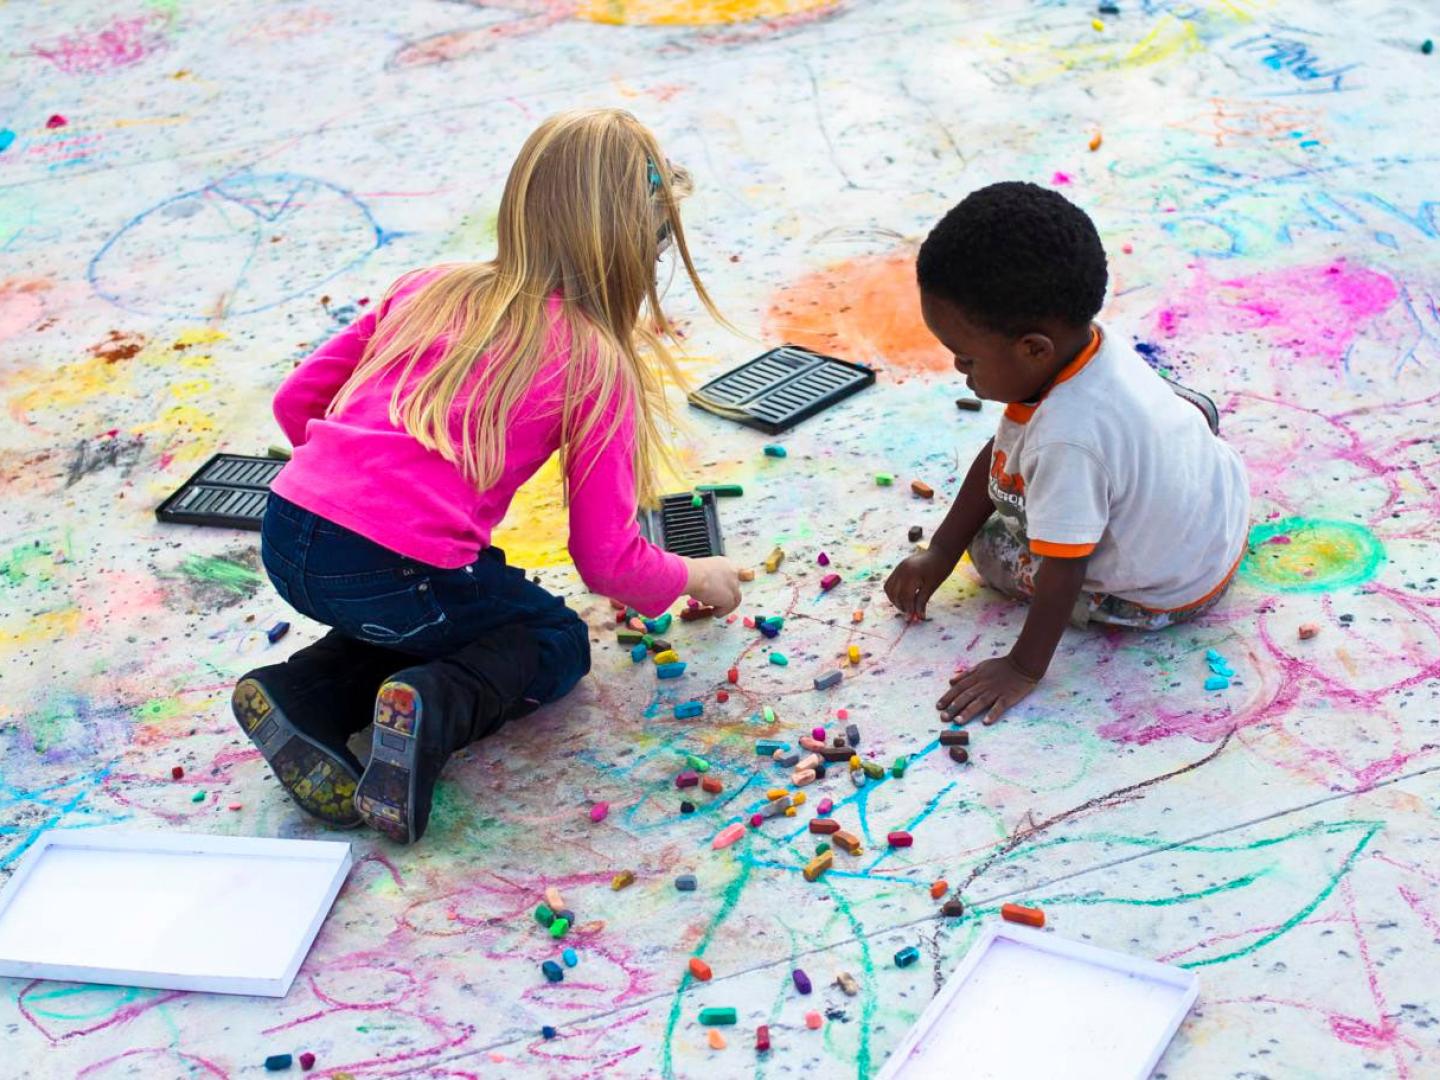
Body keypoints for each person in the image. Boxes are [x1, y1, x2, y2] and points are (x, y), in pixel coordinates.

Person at [233, 108, 742, 843]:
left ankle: (296, 694)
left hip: (286, 534)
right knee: (553, 637)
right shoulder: (594, 360)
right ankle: (428, 707)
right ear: (639, 244)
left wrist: (350, 488)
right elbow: (605, 563)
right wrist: (700, 576)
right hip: (394, 571)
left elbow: (296, 403)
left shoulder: (430, 285)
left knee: (431, 611)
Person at [885, 181, 1249, 725]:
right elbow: (1007, 443)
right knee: (1169, 413)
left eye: (965, 360)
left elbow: (1063, 568)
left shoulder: (1065, 440)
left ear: (1034, 348)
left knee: (990, 549)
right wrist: (938, 550)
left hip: (1169, 590)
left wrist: (1023, 667)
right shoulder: (1094, 342)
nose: (960, 373)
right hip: (1222, 503)